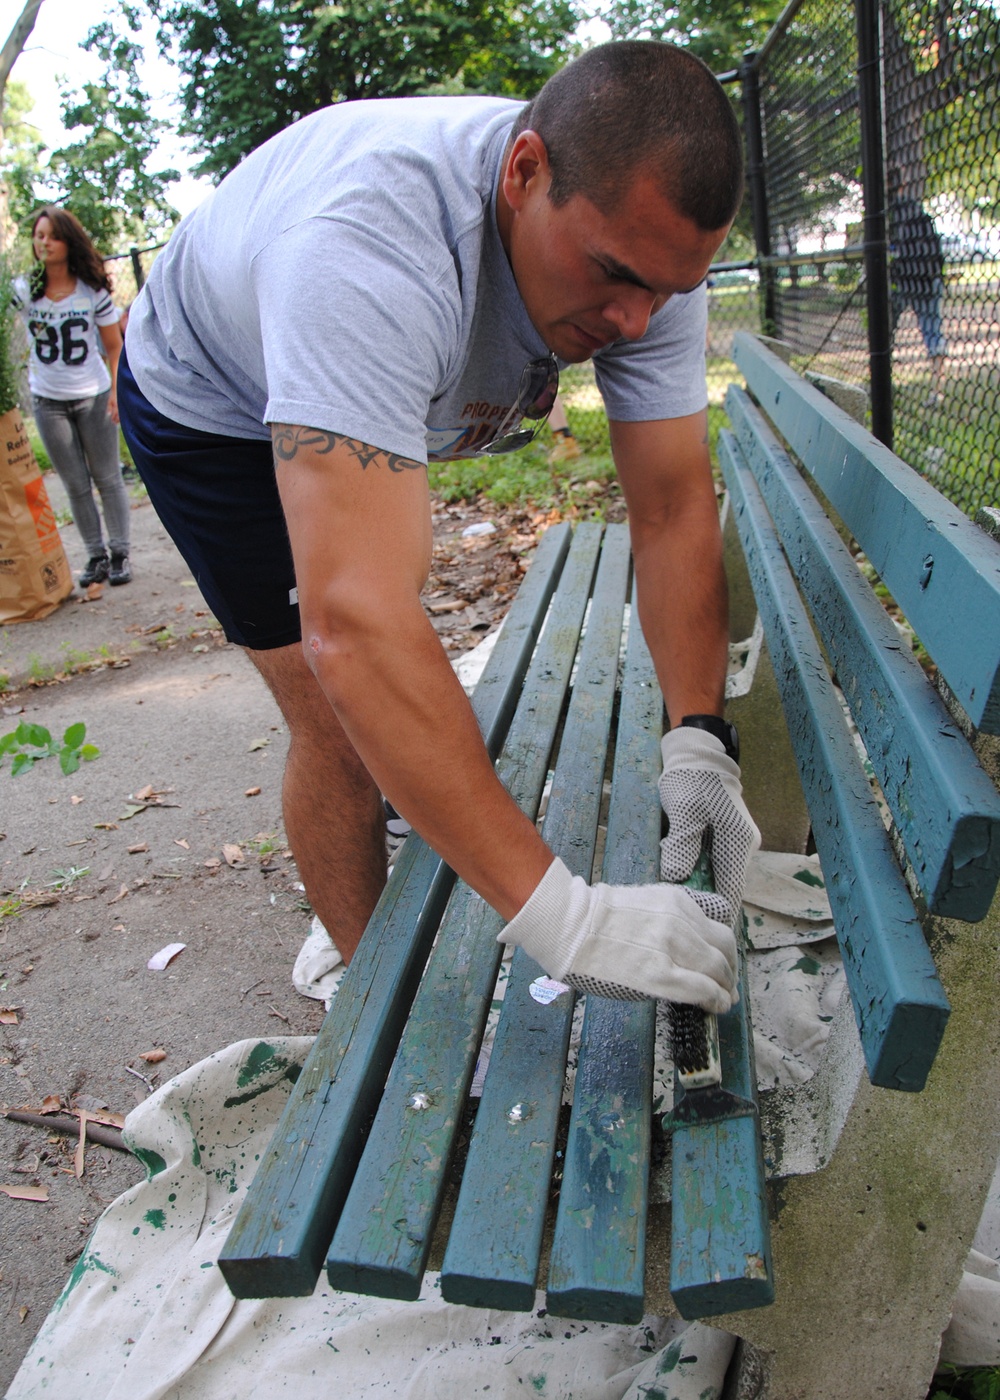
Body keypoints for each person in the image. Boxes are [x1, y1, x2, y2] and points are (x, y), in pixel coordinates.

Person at [119, 41, 759, 1012]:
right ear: (523, 172)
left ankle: (407, 847)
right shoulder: (369, 249)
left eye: (665, 293)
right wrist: (569, 917)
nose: (636, 322)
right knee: (336, 713)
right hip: (211, 403)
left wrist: (697, 738)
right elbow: (356, 623)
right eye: (613, 276)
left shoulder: (645, 247)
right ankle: (372, 994)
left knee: (386, 658)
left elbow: (671, 506)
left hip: (363, 376)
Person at [13, 207, 132, 586]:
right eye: (38, 235)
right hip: (48, 400)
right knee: (75, 484)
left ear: (68, 241)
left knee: (108, 477)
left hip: (93, 395)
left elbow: (114, 348)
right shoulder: (24, 290)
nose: (43, 242)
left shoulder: (91, 290)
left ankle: (120, 553)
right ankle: (95, 555)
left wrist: (116, 392)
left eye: (51, 235)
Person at [887, 177, 946, 406]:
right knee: (932, 333)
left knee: (931, 333)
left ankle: (937, 390)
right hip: (919, 281)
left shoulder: (900, 214)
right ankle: (936, 390)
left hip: (916, 281)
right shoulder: (908, 213)